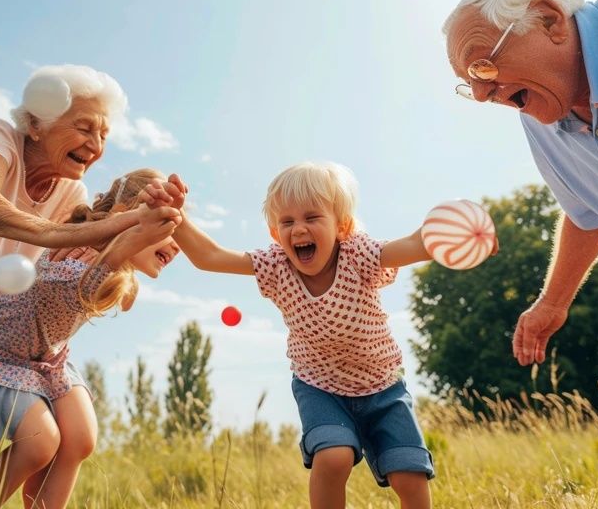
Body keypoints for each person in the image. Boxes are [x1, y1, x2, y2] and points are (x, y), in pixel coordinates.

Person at [145, 162, 435, 509]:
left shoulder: (359, 254)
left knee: (411, 476)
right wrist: (175, 216)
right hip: (320, 387)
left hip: (384, 388)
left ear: (341, 226)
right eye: (287, 222)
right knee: (334, 456)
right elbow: (210, 256)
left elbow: (412, 245)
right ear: (275, 234)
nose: (299, 229)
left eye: (312, 217)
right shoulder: (276, 265)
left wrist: (448, 233)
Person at [0, 168, 181, 509]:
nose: (176, 243)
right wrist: (120, 250)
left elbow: (123, 296)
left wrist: (124, 260)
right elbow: (74, 290)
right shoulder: (73, 248)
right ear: (129, 212)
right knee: (40, 442)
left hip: (45, 358)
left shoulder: (115, 266)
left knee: (81, 436)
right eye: (167, 227)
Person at [443, 0, 598, 367]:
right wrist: (552, 302)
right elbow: (589, 213)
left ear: (548, 20)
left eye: (482, 66)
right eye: (471, 84)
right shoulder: (541, 117)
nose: (482, 95)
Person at [0, 63, 143, 320]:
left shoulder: (72, 193)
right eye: (84, 129)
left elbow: (65, 264)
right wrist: (57, 233)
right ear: (36, 125)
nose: (95, 146)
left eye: (104, 136)